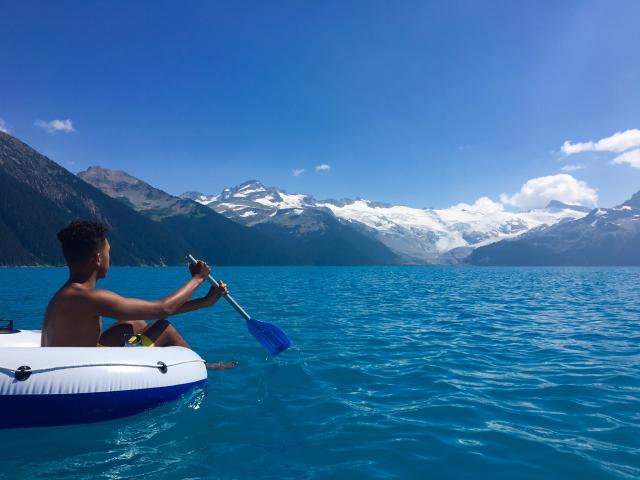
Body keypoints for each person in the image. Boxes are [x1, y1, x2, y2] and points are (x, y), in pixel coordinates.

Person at [42, 219, 237, 370]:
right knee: (165, 328)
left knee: (135, 324)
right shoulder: (88, 298)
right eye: (109, 252)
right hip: (80, 371)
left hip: (76, 358)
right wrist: (198, 279)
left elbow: (153, 312)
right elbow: (162, 309)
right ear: (98, 259)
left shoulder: (69, 293)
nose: (111, 256)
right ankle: (200, 367)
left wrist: (205, 301)